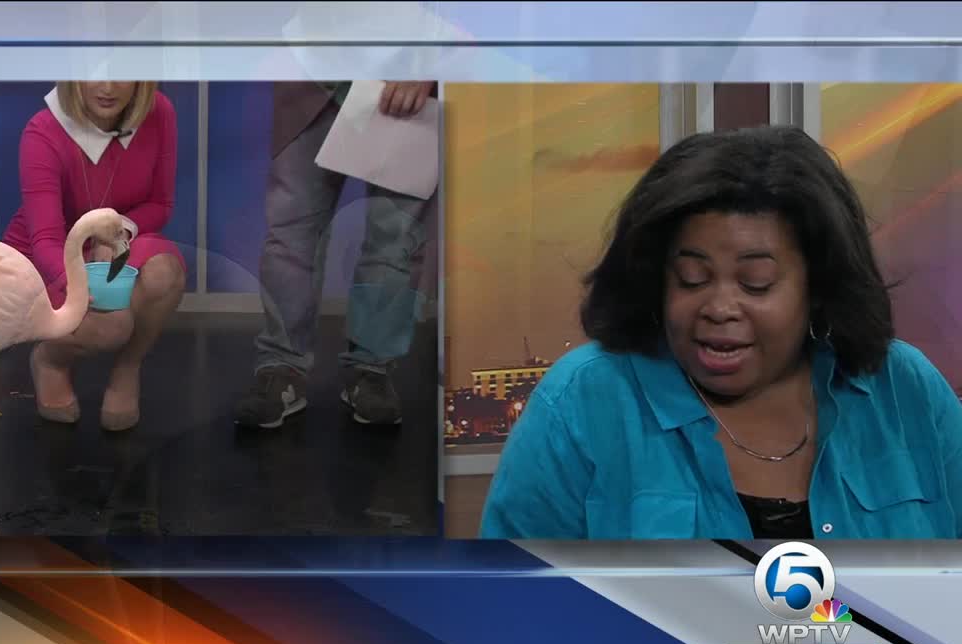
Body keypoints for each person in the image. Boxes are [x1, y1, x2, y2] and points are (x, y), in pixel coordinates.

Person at [479, 125, 962, 540]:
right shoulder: (583, 402)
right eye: (692, 278)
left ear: (817, 285)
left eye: (756, 284)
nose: (719, 308)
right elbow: (505, 612)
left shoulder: (904, 390)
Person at [233, 80, 438, 429]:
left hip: (401, 79)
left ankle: (371, 368)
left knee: (395, 239)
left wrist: (425, 65)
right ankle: (280, 366)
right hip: (312, 79)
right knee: (289, 235)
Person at [2, 81, 186, 432]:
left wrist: (117, 232)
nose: (107, 87)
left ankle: (127, 368)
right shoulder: (43, 130)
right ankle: (50, 361)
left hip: (114, 239)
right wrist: (77, 280)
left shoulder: (159, 112)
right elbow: (45, 239)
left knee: (165, 274)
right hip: (50, 255)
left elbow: (160, 205)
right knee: (109, 324)